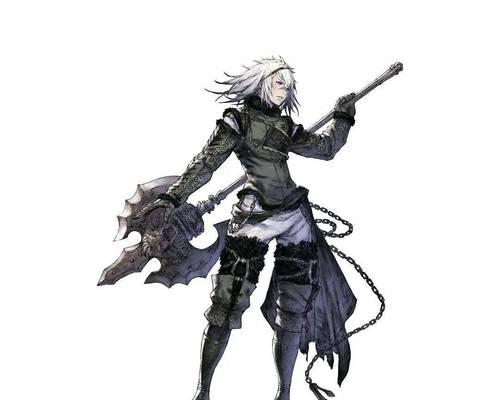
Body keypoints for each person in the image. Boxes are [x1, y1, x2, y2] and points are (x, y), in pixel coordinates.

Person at [138, 56, 357, 400]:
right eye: (278, 83)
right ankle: (203, 391)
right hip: (253, 217)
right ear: (261, 83)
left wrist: (343, 118)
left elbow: (326, 149)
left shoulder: (286, 127)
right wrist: (172, 197)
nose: (283, 91)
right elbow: (206, 163)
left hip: (294, 216)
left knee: (293, 311)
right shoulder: (236, 122)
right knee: (226, 304)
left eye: (288, 86)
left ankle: (284, 394)